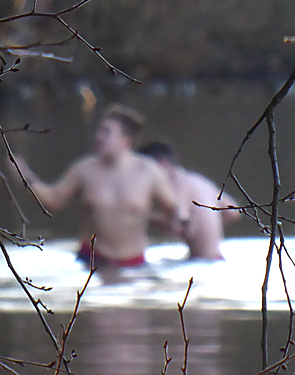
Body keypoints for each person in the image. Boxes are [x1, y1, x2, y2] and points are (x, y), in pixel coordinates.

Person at [9, 104, 181, 270]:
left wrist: (173, 223)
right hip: (91, 261)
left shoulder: (149, 172)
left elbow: (174, 210)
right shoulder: (84, 170)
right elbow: (53, 200)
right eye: (99, 131)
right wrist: (24, 176)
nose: (98, 136)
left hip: (134, 264)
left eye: (106, 132)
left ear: (125, 140)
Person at [137, 141, 242, 261]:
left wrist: (142, 216)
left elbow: (178, 225)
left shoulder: (178, 184)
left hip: (201, 261)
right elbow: (233, 212)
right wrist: (208, 225)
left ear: (162, 164)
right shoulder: (198, 180)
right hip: (217, 257)